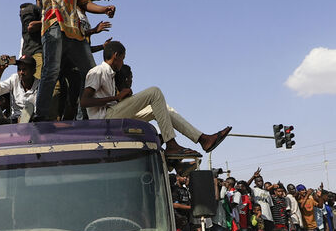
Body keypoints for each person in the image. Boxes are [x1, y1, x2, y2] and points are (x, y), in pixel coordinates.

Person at [80, 40, 232, 159]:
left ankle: (203, 139)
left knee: (162, 108)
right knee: (154, 92)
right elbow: (84, 102)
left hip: (113, 116)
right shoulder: (97, 71)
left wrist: (122, 99)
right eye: (123, 58)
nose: (122, 63)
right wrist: (116, 97)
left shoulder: (111, 75)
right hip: (105, 120)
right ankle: (171, 144)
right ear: (116, 55)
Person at [0, 54, 40, 123]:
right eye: (19, 69)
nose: (21, 72)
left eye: (24, 69)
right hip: (14, 120)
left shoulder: (39, 85)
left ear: (33, 71)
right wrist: (0, 69)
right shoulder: (14, 78)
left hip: (33, 122)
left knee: (29, 107)